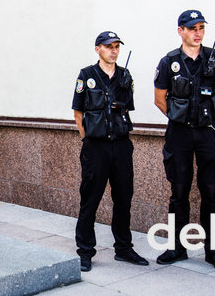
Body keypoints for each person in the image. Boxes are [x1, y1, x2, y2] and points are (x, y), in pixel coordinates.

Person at [153, 10, 215, 270]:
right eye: (192, 28)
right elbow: (159, 99)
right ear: (181, 31)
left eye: (201, 28)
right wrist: (182, 117)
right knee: (179, 192)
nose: (198, 32)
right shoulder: (169, 62)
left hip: (207, 132)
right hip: (180, 134)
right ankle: (177, 247)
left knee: (211, 191)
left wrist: (206, 117)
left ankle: (213, 251)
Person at [72, 31, 148, 272]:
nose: (113, 51)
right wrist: (88, 140)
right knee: (90, 199)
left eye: (116, 46)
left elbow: (128, 108)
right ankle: (85, 251)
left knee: (123, 198)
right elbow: (78, 112)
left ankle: (124, 248)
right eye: (108, 47)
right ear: (98, 49)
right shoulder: (87, 75)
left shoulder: (125, 76)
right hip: (96, 147)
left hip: (121, 145)